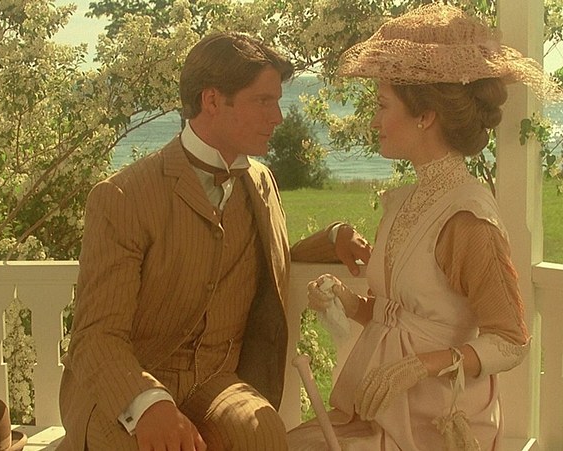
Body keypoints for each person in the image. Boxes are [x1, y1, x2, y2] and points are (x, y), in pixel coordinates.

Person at [58, 31, 369, 451]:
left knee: (262, 433)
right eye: (263, 101)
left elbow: (268, 255)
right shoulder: (122, 196)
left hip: (215, 381)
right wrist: (148, 405)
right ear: (212, 101)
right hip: (126, 387)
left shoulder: (261, 182)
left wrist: (332, 238)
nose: (278, 117)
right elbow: (96, 334)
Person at [287, 4, 560, 450]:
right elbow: (399, 315)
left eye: (382, 105)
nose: (374, 120)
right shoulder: (405, 201)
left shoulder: (468, 219)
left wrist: (423, 365)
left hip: (438, 419)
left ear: (425, 115)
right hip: (383, 409)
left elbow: (511, 342)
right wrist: (345, 300)